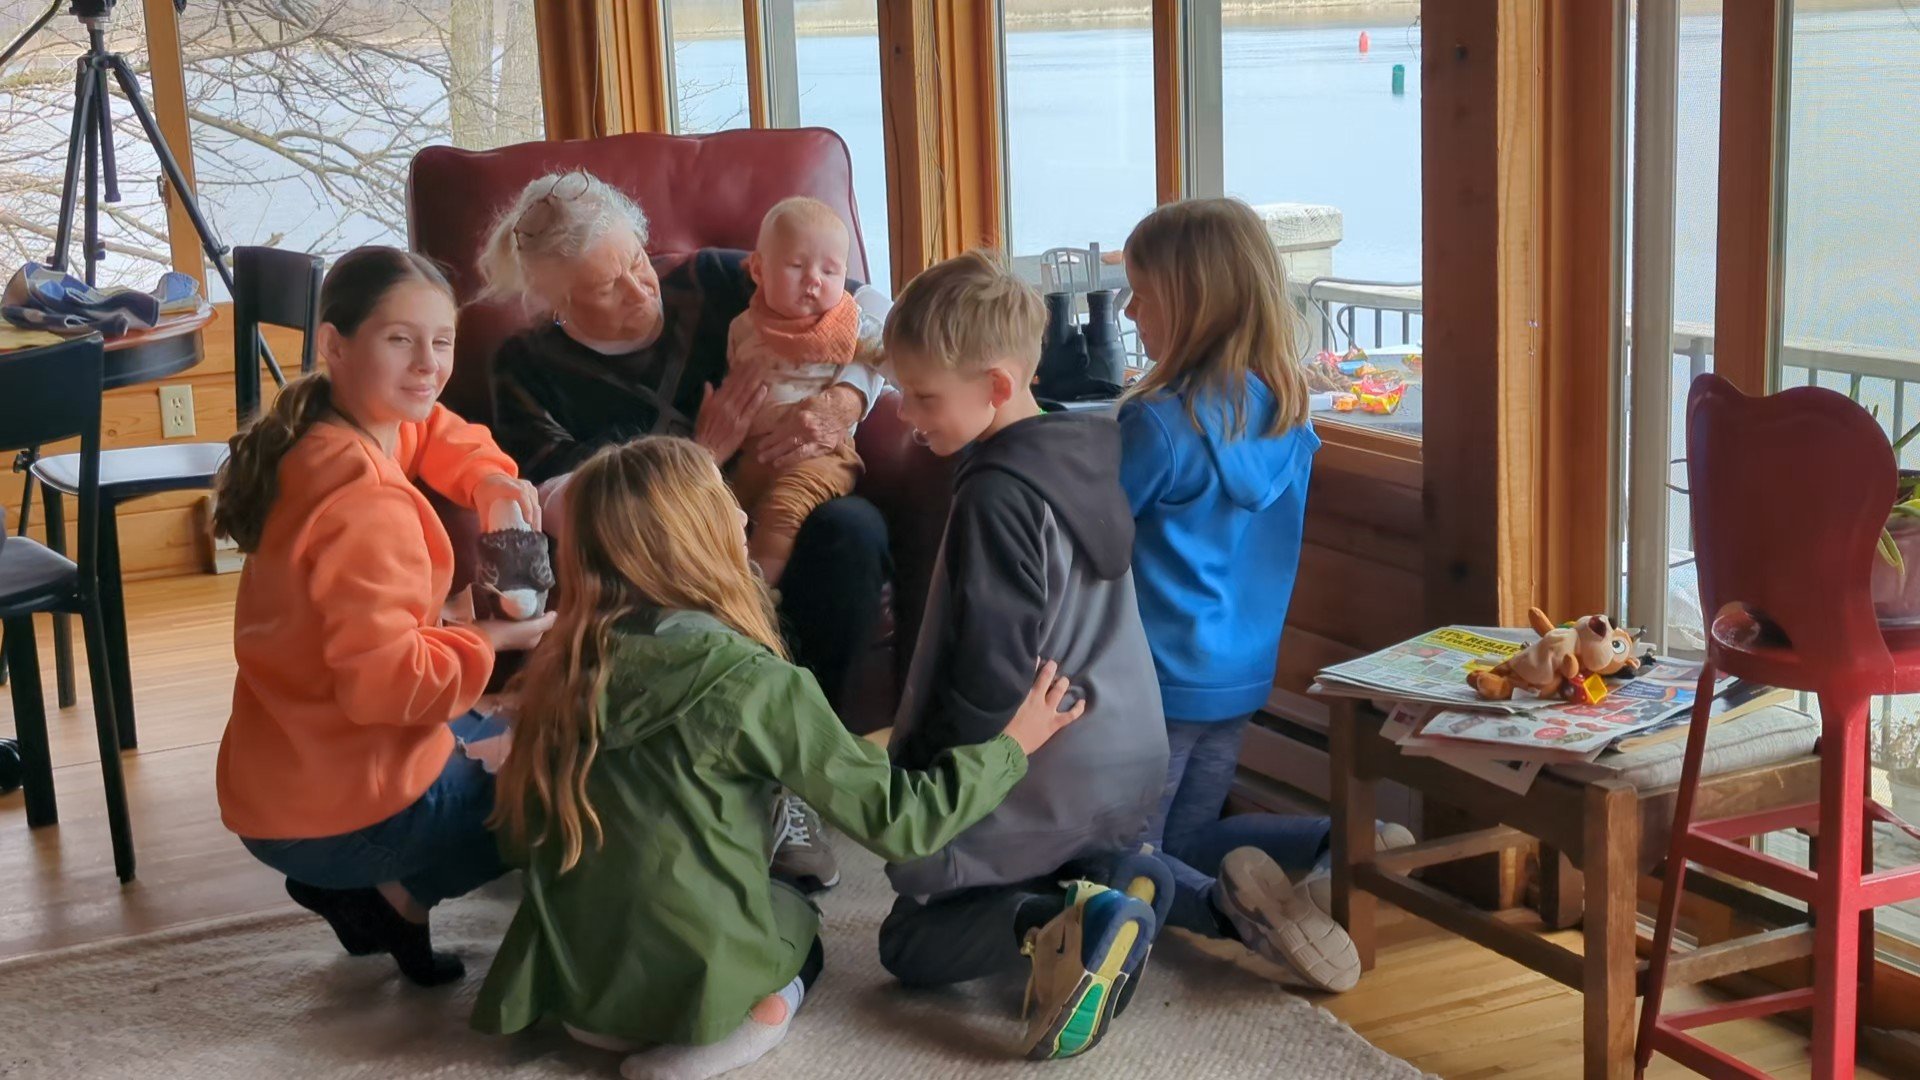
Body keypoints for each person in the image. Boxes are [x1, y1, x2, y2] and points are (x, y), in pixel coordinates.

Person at [470, 436, 1085, 1080]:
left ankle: (632, 1020)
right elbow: (906, 824)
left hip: (574, 994)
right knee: (799, 914)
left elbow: (520, 838)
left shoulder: (557, 669)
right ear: (693, 539)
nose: (743, 518)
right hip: (689, 989)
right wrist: (1015, 744)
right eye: (724, 504)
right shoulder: (756, 683)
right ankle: (726, 1035)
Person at [478, 172, 890, 890]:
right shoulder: (528, 368)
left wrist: (848, 397)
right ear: (555, 301)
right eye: (607, 287)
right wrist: (699, 458)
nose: (641, 292)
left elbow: (871, 307)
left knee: (851, 530)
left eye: (637, 262)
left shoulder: (717, 279)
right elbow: (566, 504)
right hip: (652, 543)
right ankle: (686, 794)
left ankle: (798, 777)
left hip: (778, 503)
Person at [212, 246, 555, 987]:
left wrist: (492, 479)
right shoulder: (369, 504)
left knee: (486, 730)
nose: (429, 365)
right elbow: (384, 690)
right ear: (336, 344)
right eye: (401, 340)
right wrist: (487, 635)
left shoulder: (323, 428)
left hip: (284, 775)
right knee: (558, 769)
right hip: (333, 801)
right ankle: (393, 891)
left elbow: (434, 430)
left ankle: (348, 876)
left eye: (442, 341)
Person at [873, 251, 1173, 1061]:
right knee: (1054, 861)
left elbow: (987, 666)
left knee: (908, 938)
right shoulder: (1085, 452)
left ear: (998, 387)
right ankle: (1121, 880)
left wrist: (930, 776)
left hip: (1047, 758)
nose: (905, 412)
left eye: (924, 395)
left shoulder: (996, 493)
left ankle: (1066, 919)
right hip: (1127, 755)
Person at [1117, 197, 1408, 994]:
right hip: (1243, 673)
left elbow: (1097, 537)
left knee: (1129, 855)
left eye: (1140, 293)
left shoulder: (1156, 426)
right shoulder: (1289, 414)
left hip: (1158, 680)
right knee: (1194, 831)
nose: (1129, 309)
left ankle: (1235, 911)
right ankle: (1339, 840)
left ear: (1188, 300)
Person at [719, 197, 881, 585]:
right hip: (754, 452)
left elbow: (893, 352)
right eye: (796, 266)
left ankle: (758, 597)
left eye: (830, 270)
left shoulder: (847, 321)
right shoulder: (743, 326)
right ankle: (721, 596)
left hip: (823, 455)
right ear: (758, 269)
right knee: (725, 512)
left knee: (783, 510)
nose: (814, 280)